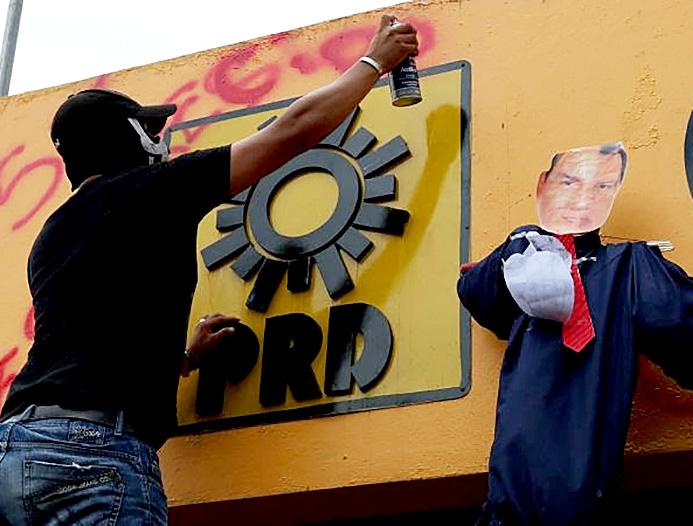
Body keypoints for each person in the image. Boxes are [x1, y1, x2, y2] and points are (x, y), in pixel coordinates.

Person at [0, 15, 417, 525]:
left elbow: (92, 340)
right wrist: (374, 63)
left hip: (14, 450)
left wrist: (183, 358)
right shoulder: (151, 191)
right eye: (152, 131)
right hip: (96, 453)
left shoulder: (50, 236)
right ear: (131, 139)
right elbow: (291, 132)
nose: (161, 142)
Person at [458, 143, 693, 525]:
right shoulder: (524, 257)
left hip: (574, 490)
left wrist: (643, 272)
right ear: (543, 186)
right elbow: (478, 292)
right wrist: (515, 249)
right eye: (568, 182)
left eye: (602, 186)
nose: (582, 196)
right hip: (516, 498)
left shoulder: (627, 269)